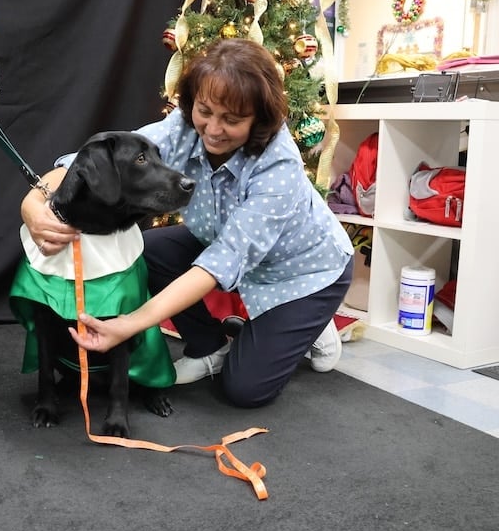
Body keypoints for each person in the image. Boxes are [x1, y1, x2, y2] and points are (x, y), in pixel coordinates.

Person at [21, 38, 353, 408]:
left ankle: (312, 321)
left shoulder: (279, 166)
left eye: (232, 119)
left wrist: (130, 324)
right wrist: (33, 202)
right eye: (205, 111)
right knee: (142, 253)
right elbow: (91, 160)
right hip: (218, 240)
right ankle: (209, 345)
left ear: (259, 117)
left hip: (300, 274)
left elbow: (222, 261)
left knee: (244, 390)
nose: (212, 129)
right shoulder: (183, 126)